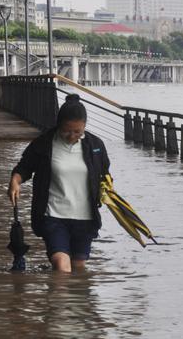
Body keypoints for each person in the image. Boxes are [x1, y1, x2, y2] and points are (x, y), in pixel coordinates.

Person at [8, 94, 111, 273]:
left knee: (78, 270)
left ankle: (67, 301)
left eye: (78, 132)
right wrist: (15, 181)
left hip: (85, 219)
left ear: (85, 126)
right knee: (62, 267)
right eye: (67, 131)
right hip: (53, 216)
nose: (72, 136)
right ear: (59, 125)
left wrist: (110, 193)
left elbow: (105, 175)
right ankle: (57, 301)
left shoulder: (96, 146)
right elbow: (24, 167)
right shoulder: (44, 144)